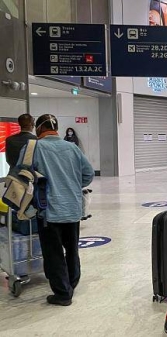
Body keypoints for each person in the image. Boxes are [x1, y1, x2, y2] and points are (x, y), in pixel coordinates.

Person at [18, 114, 94, 306]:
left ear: (40, 129)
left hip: (48, 210)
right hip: (73, 208)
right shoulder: (72, 148)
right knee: (71, 248)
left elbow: (20, 174)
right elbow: (88, 174)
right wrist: (74, 185)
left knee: (53, 253)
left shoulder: (33, 148)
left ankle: (62, 293)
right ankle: (71, 282)